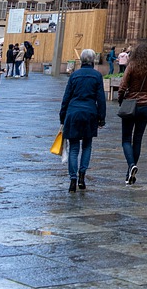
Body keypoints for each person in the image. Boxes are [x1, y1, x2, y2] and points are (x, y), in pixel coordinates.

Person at [59, 48, 107, 192]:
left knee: (74, 148)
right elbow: (101, 99)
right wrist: (101, 118)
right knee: (87, 145)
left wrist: (62, 116)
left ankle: (72, 180)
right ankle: (82, 176)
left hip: (73, 113)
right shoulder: (97, 76)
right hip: (90, 113)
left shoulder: (74, 75)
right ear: (93, 61)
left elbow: (66, 97)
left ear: (81, 60)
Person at [117, 42, 147, 185]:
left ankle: (131, 165)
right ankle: (130, 174)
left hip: (131, 105)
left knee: (126, 139)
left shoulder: (132, 65)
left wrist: (121, 101)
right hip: (145, 106)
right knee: (138, 140)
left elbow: (122, 87)